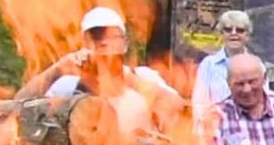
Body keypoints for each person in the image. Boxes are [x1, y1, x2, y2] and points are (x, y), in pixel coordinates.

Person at [15, 7, 177, 103]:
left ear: (125, 43)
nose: (104, 43)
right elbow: (17, 104)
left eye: (112, 36)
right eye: (96, 37)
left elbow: (179, 109)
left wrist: (126, 79)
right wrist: (57, 70)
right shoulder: (69, 84)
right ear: (85, 43)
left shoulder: (143, 76)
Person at [191, 11, 269, 123]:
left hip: (250, 128)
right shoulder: (208, 65)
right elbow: (200, 102)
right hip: (216, 129)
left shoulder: (257, 65)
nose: (234, 33)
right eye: (228, 29)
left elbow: (265, 102)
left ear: (247, 35)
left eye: (240, 30)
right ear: (221, 34)